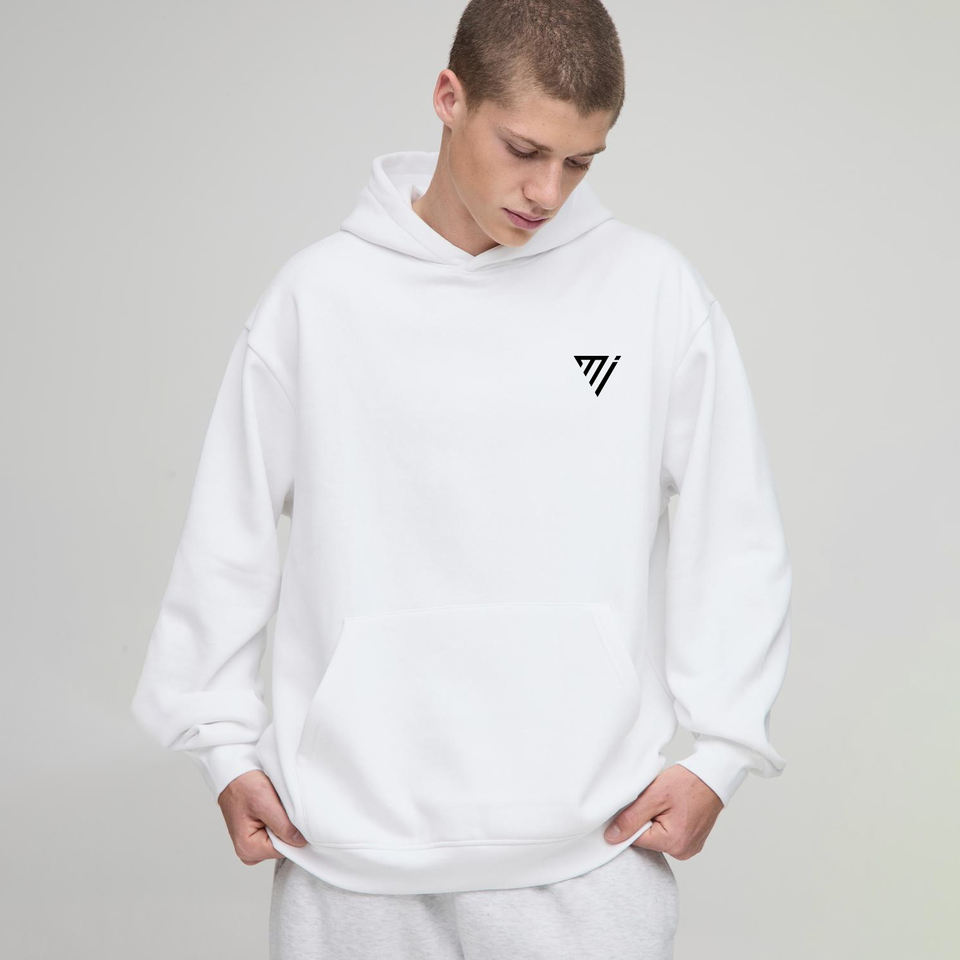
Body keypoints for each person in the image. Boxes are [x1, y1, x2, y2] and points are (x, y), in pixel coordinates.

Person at [130, 1, 792, 957]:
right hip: (347, 856)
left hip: (589, 854)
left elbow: (736, 530)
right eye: (525, 149)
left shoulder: (650, 292)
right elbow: (224, 537)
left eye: (580, 162)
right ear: (450, 98)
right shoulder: (318, 300)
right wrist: (222, 749)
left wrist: (723, 755)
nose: (548, 191)